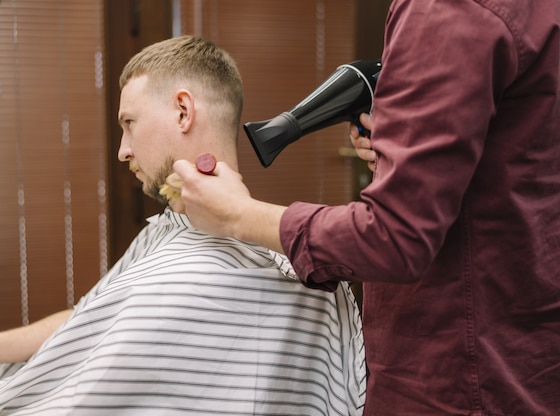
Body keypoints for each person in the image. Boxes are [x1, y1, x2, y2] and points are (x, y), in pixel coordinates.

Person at [172, 1, 560, 415]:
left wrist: (236, 214)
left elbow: (395, 237)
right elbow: (537, 151)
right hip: (553, 351)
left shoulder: (449, 9)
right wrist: (417, 149)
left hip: (474, 372)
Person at [0, 35, 365, 416]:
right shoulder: (168, 228)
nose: (123, 150)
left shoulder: (232, 274)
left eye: (130, 123)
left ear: (182, 112)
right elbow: (85, 319)